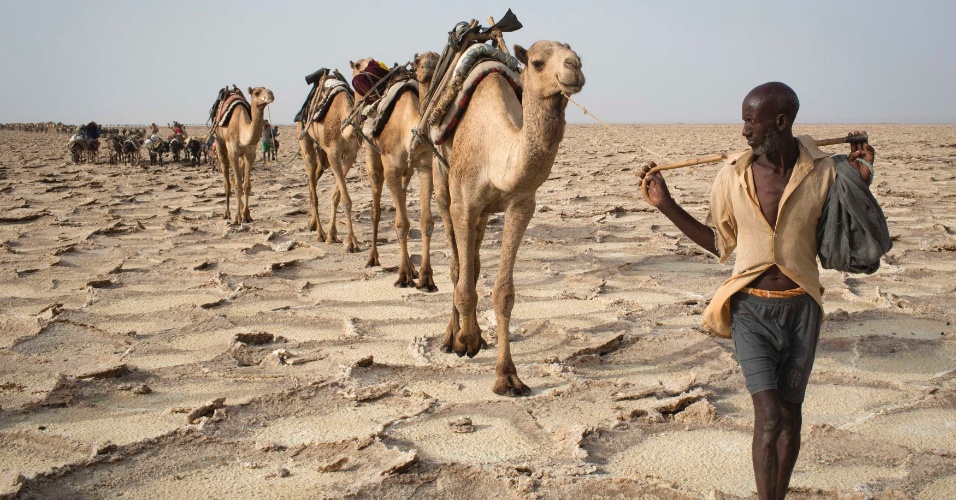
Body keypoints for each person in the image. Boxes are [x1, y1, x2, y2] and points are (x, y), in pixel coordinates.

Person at [637, 82, 875, 500]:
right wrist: (666, 205)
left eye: (752, 121)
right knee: (768, 416)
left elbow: (848, 235)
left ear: (781, 122)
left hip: (802, 309)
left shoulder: (824, 171)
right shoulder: (733, 173)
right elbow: (718, 243)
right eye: (743, 120)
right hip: (750, 310)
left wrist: (861, 179)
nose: (744, 130)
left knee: (791, 415)